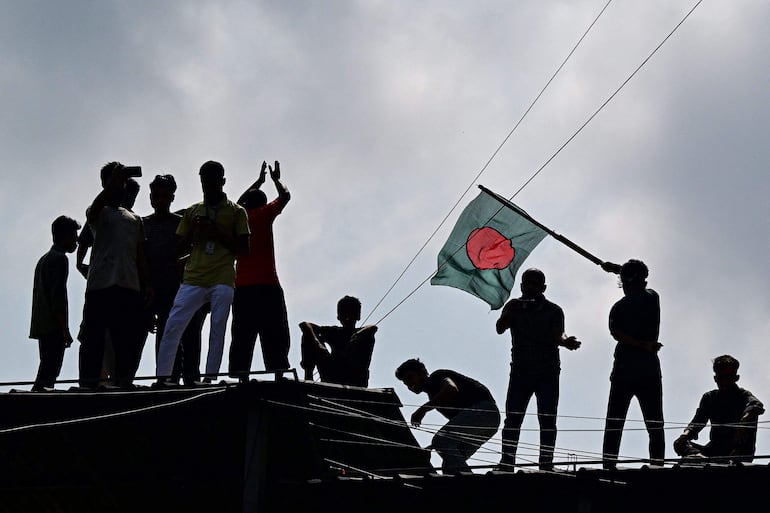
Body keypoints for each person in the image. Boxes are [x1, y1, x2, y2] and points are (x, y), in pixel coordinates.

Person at [156, 160, 249, 384]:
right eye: (204, 182)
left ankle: (208, 379)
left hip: (223, 278)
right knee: (172, 325)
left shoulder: (237, 212)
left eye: (212, 182)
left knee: (217, 328)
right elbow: (177, 249)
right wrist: (195, 232)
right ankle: (162, 378)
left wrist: (215, 231)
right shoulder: (192, 211)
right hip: (193, 278)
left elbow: (244, 250)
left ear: (222, 182)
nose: (207, 186)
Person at [495, 268, 581, 470]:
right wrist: (512, 312)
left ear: (543, 287)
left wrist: (567, 342)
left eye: (536, 284)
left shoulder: (553, 310)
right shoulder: (514, 306)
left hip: (547, 373)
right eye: (528, 283)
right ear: (522, 285)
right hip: (520, 372)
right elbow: (500, 328)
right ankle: (507, 462)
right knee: (513, 419)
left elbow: (558, 335)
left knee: (548, 419)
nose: (531, 287)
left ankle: (546, 463)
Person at [78, 163, 151, 389]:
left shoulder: (134, 219)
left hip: (128, 285)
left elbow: (140, 256)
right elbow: (96, 209)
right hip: (100, 284)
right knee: (93, 339)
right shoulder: (98, 212)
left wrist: (147, 285)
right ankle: (88, 384)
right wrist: (112, 183)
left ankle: (122, 382)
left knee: (124, 339)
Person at [228, 160, 291, 380]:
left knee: (243, 334)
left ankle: (241, 375)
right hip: (268, 285)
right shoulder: (264, 215)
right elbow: (285, 196)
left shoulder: (240, 217)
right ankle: (279, 375)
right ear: (263, 203)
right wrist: (275, 180)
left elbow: (236, 203)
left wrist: (258, 181)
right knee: (274, 332)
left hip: (243, 287)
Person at [143, 174, 207, 385]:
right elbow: (140, 259)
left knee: (189, 337)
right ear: (151, 197)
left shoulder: (182, 224)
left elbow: (200, 251)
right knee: (164, 336)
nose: (160, 200)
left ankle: (190, 381)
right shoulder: (143, 225)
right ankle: (165, 379)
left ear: (172, 197)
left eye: (164, 195)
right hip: (155, 291)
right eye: (156, 195)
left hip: (183, 289)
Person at [600, 259, 664, 469]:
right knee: (655, 424)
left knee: (615, 423)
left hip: (625, 371)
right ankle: (657, 465)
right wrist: (619, 270)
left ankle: (609, 465)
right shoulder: (652, 298)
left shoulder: (618, 308)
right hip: (648, 370)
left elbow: (617, 334)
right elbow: (636, 278)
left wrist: (619, 271)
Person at [395, 358, 500, 474]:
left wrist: (422, 410)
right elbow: (457, 429)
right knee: (449, 467)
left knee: (441, 441)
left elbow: (451, 389)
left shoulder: (437, 377)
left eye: (410, 378)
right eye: (405, 383)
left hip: (485, 412)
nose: (410, 385)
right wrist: (431, 447)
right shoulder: (434, 396)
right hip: (487, 420)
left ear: (422, 372)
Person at [673, 354, 764, 463]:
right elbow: (697, 422)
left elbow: (756, 405)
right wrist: (685, 435)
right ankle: (698, 456)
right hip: (714, 450)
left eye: (728, 377)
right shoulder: (710, 398)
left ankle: (733, 460)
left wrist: (743, 422)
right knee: (679, 443)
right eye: (721, 378)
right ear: (715, 378)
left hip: (738, 450)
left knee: (752, 414)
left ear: (736, 378)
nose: (724, 382)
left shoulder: (743, 396)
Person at [29, 215, 81, 391]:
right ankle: (35, 402)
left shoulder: (44, 259)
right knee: (50, 370)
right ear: (65, 236)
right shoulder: (60, 259)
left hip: (42, 324)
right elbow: (58, 296)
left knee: (46, 366)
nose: (76, 240)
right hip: (53, 325)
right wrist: (64, 329)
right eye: (74, 236)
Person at [299, 296, 377, 387]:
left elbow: (373, 328)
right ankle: (308, 378)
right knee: (308, 335)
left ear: (358, 316)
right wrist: (318, 344)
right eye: (343, 313)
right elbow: (305, 325)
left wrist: (355, 338)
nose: (347, 317)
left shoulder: (364, 335)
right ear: (338, 316)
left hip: (354, 378)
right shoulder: (335, 332)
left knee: (366, 338)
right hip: (332, 375)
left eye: (351, 313)